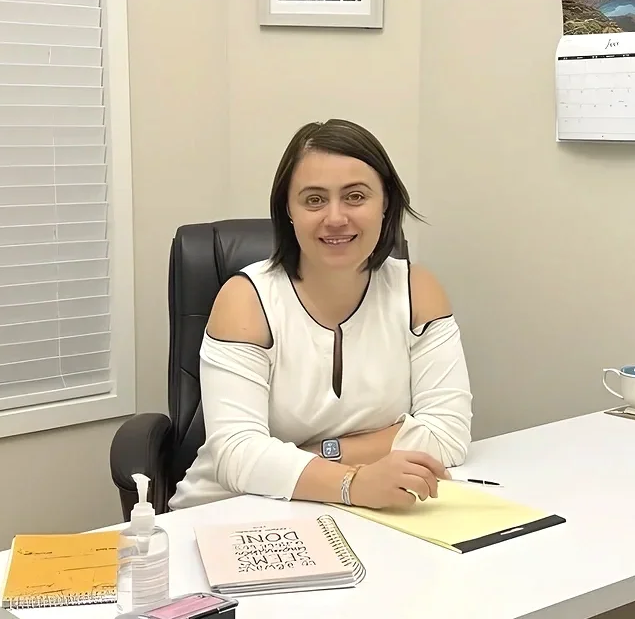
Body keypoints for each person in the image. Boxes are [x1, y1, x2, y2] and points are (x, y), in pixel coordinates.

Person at [168, 119, 472, 511]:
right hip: (232, 508)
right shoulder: (246, 300)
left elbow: (448, 434)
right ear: (288, 212)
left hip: (359, 511)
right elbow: (236, 456)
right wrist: (354, 482)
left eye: (356, 197)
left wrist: (322, 453)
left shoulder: (416, 291)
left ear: (386, 206)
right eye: (314, 200)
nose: (335, 218)